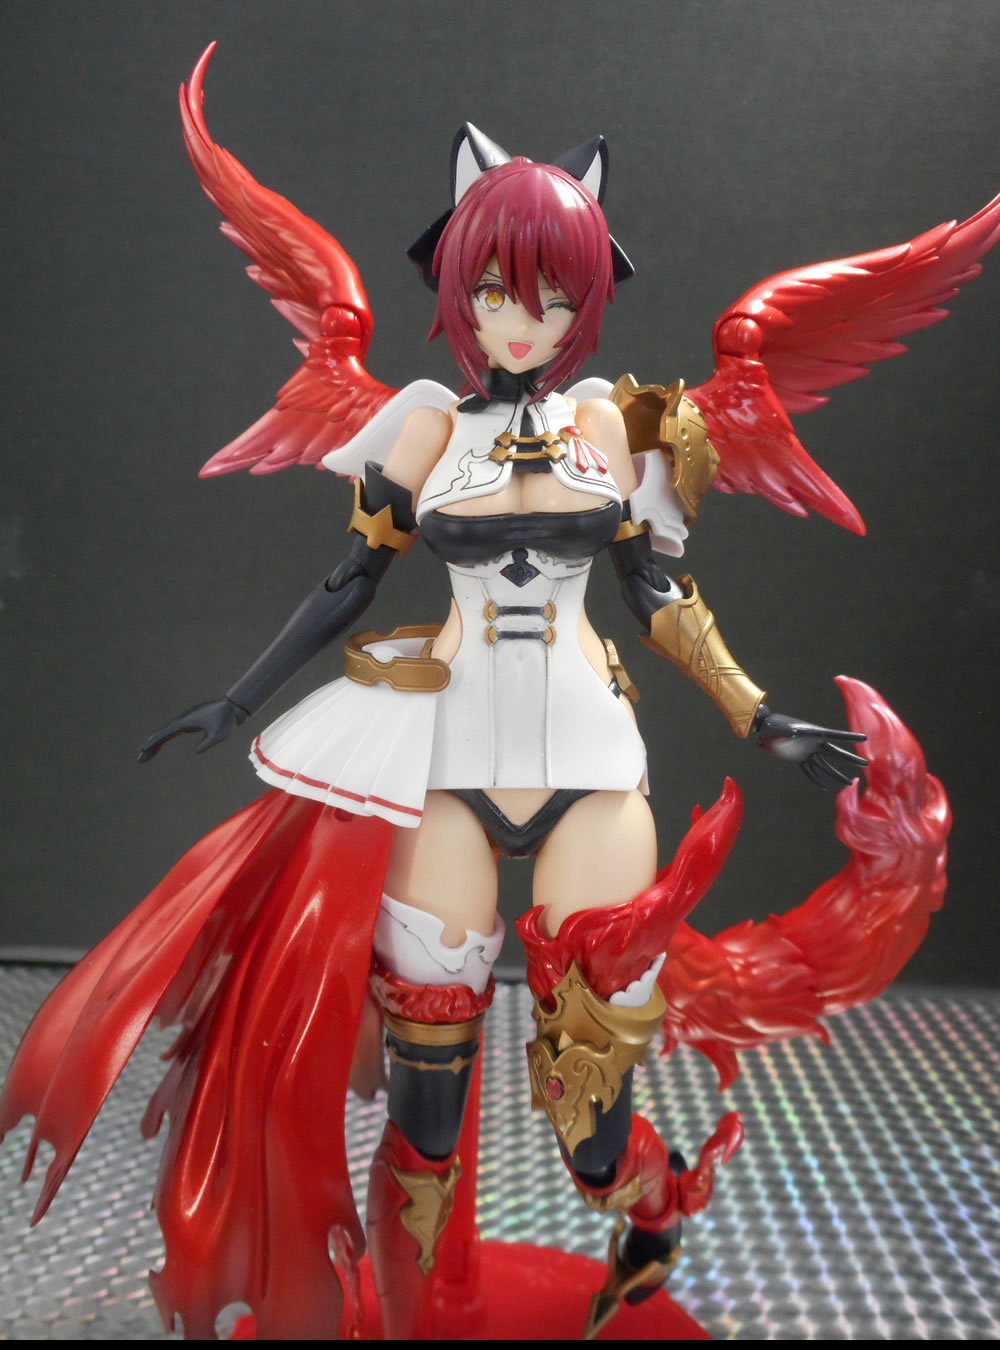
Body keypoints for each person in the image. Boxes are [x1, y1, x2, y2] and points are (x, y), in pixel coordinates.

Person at [0, 44, 966, 1341]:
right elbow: (350, 581)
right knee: (427, 1105)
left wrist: (758, 714)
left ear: (587, 301)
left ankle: (655, 1207)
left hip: (590, 769)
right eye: (502, 290)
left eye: (556, 296)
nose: (527, 321)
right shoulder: (423, 431)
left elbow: (659, 595)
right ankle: (416, 1311)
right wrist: (238, 699)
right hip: (447, 770)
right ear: (460, 287)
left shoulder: (622, 428)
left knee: (589, 1114)